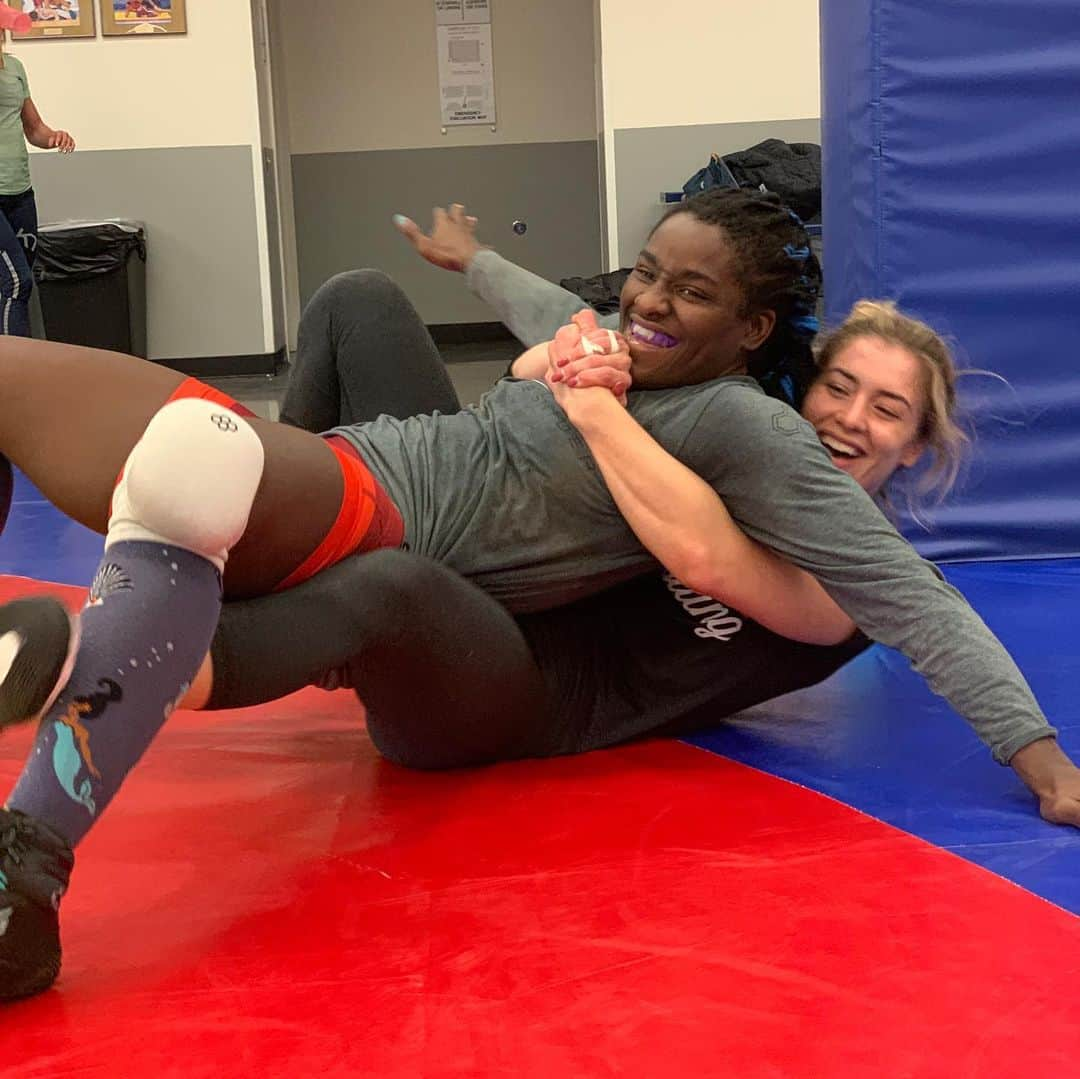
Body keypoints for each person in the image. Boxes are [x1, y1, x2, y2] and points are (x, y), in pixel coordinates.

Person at [0, 190, 1075, 1003]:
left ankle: (154, 663)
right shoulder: (646, 361)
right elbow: (558, 308)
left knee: (266, 506)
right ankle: (226, 581)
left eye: (889, 411)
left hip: (483, 645)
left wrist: (1047, 762)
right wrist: (476, 263)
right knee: (356, 303)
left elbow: (820, 583)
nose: (852, 417)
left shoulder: (755, 448)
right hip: (424, 522)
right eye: (842, 385)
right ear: (810, 371)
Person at [0, 17, 74, 337]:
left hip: (20, 192)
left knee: (16, 283)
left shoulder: (15, 68)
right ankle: (14, 375)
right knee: (17, 282)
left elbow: (33, 128)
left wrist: (54, 136)